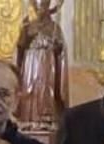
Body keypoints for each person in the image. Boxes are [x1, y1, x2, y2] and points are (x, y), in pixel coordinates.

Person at [15, 0, 68, 129]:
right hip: (30, 61)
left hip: (47, 63)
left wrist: (57, 46)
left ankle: (46, 119)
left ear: (47, 8)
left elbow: (61, 50)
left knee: (45, 90)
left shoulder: (54, 27)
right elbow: (20, 47)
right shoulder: (28, 26)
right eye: (38, 8)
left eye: (43, 7)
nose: (40, 11)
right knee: (30, 89)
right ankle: (28, 119)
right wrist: (26, 35)